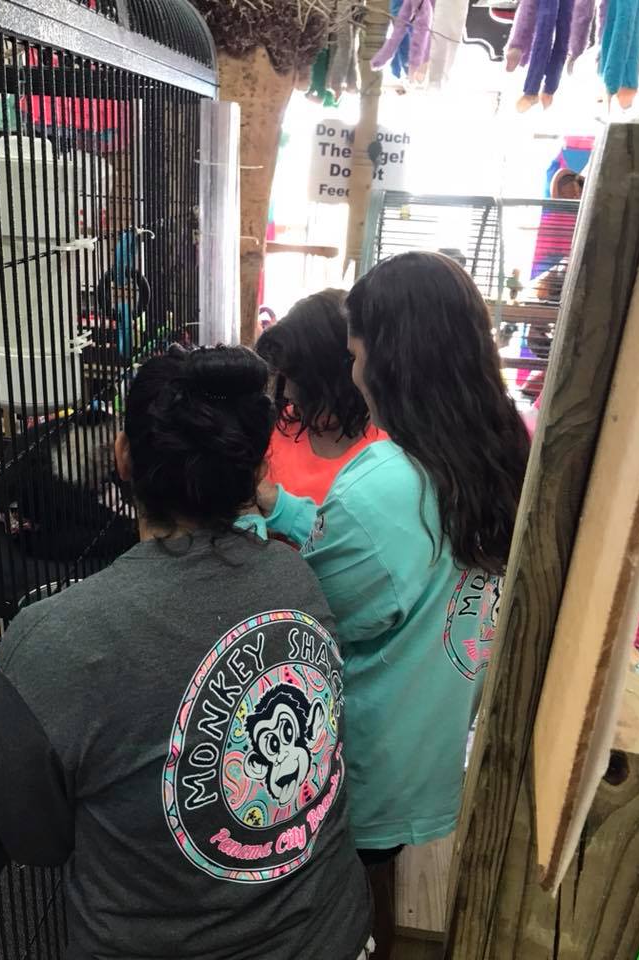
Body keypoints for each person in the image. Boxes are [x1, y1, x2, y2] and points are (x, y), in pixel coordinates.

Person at [0, 345, 372, 960]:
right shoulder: (296, 577)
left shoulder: (51, 640)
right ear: (257, 472)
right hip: (332, 931)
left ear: (122, 456)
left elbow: (34, 842)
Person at [258, 253, 531, 959]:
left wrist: (245, 536)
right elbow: (393, 570)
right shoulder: (499, 448)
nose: (353, 375)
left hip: (360, 766)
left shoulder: (383, 483)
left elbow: (312, 618)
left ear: (388, 358)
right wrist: (282, 509)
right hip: (426, 745)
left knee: (336, 911)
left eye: (355, 356)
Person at [257, 289, 384, 505]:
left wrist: (282, 509)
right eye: (284, 377)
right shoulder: (278, 427)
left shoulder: (388, 453)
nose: (287, 393)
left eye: (300, 383)